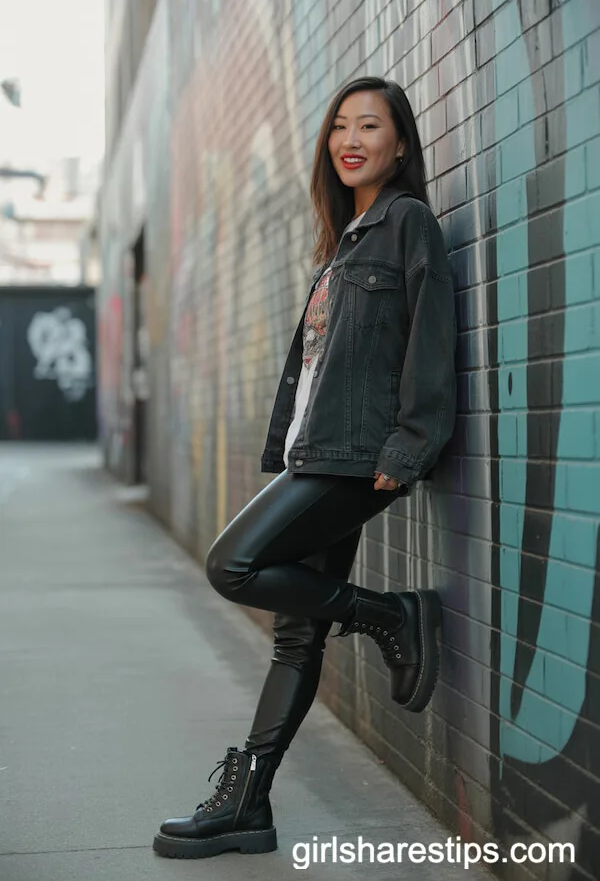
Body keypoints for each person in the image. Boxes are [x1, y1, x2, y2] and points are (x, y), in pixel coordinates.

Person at [153, 76, 457, 860]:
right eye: (339, 128)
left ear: (399, 144)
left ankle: (389, 616)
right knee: (296, 637)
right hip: (316, 448)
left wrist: (410, 444)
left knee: (233, 564)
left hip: (355, 458)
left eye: (370, 127)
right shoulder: (344, 239)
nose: (351, 140)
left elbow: (431, 336)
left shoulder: (406, 222)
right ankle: (248, 805)